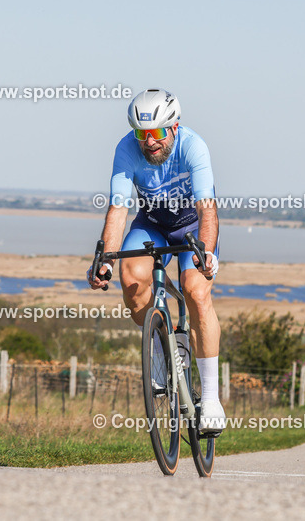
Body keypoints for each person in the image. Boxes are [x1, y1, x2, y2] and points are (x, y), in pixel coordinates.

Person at [87, 89, 225, 434]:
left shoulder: (194, 147)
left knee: (196, 291)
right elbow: (119, 210)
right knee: (132, 281)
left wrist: (205, 251)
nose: (149, 143)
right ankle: (164, 352)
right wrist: (103, 258)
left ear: (174, 127)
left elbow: (207, 210)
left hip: (191, 229)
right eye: (141, 134)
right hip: (152, 226)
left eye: (157, 134)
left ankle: (210, 400)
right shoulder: (126, 150)